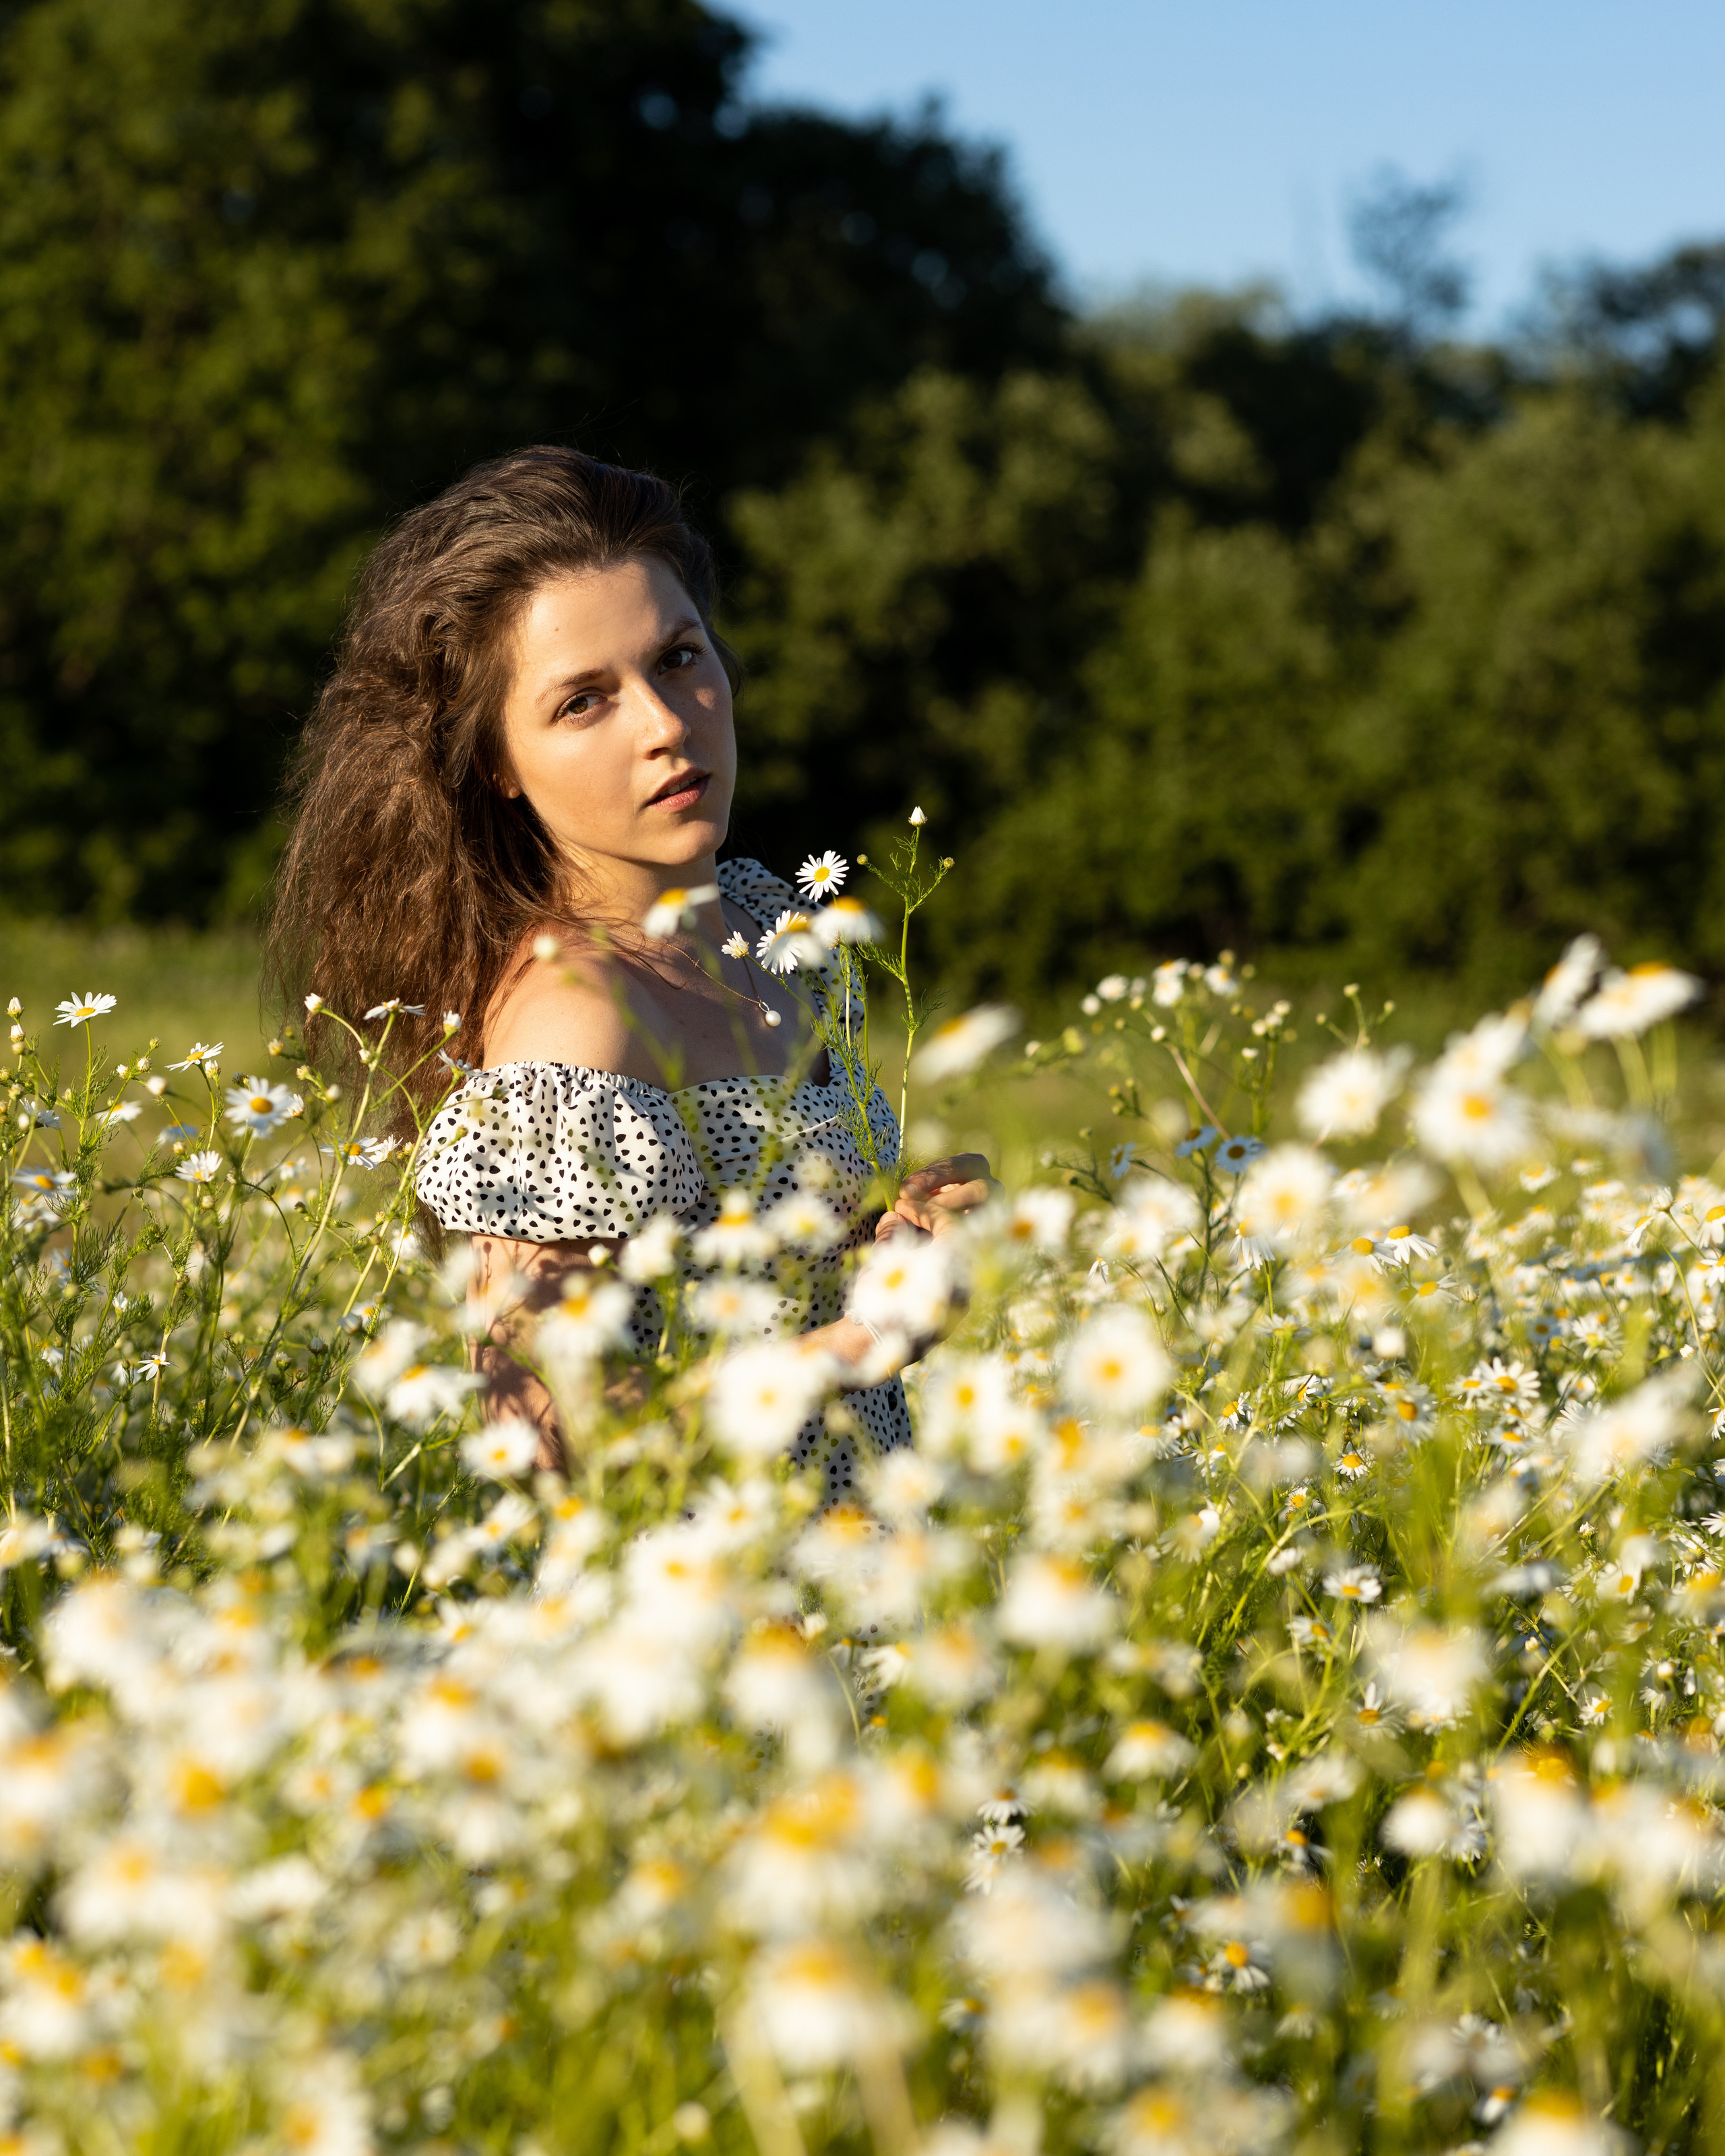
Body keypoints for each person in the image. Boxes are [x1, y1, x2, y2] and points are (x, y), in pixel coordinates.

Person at [270, 445, 993, 1484]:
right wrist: (867, 1343)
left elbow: (767, 1282)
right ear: (496, 763)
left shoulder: (770, 927)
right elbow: (548, 1433)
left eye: (679, 659)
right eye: (583, 701)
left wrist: (906, 1237)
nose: (664, 724)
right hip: (705, 1578)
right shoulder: (578, 1020)